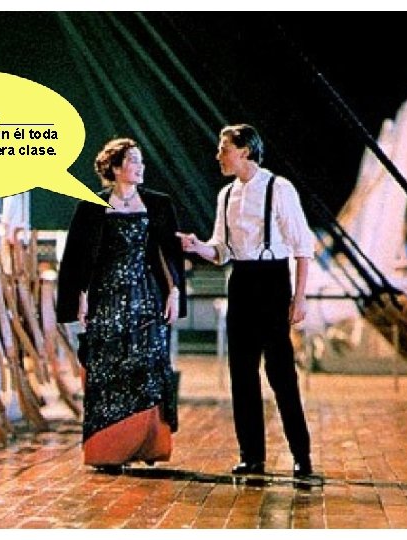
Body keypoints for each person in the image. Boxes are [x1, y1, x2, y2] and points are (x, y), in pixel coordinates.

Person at [177, 124, 314, 478]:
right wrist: (197, 246)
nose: (218, 156)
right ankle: (252, 455)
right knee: (241, 373)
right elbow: (221, 251)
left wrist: (299, 298)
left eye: (224, 149)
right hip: (240, 280)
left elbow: (303, 246)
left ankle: (301, 455)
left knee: (281, 373)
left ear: (245, 151)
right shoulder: (226, 195)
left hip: (272, 280)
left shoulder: (278, 188)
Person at [56, 137, 186, 473]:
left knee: (147, 367)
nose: (140, 167)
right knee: (106, 369)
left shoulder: (158, 204)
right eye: (132, 161)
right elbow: (75, 258)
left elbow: (170, 254)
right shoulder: (91, 206)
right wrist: (79, 295)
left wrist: (174, 292)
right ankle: (108, 451)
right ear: (114, 168)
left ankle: (149, 445)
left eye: (141, 161)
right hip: (107, 298)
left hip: (146, 297)